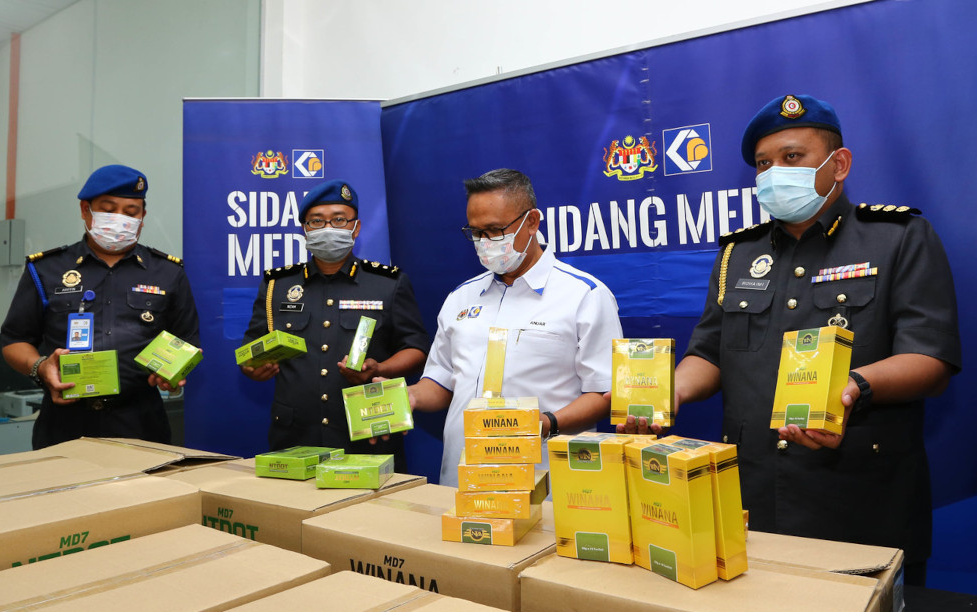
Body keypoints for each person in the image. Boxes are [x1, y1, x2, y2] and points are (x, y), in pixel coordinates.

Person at [619, 94, 961, 584]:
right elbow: (710, 352)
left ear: (837, 164)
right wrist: (669, 391)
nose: (774, 172)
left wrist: (854, 387)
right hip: (748, 500)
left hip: (860, 500)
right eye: (763, 163)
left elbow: (931, 358)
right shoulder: (739, 253)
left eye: (792, 157)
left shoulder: (898, 237)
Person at [407, 168, 623, 486]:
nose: (485, 242)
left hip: (544, 483)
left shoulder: (585, 295)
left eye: (495, 230)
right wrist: (405, 397)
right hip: (461, 481)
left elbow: (604, 392)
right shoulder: (460, 297)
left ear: (532, 221)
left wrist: (547, 423)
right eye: (476, 233)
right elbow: (440, 382)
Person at [1, 164, 201, 449]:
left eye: (131, 212)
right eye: (108, 209)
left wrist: (173, 371)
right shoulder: (46, 269)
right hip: (64, 421)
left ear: (142, 217)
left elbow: (187, 340)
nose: (120, 219)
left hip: (141, 422)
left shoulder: (168, 273)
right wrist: (40, 367)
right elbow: (15, 341)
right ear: (86, 210)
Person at [241, 179, 429, 470]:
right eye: (317, 221)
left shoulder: (387, 283)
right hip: (295, 439)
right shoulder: (277, 285)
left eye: (339, 219)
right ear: (305, 229)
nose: (328, 228)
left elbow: (417, 350)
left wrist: (379, 368)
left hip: (368, 436)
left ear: (356, 227)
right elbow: (251, 350)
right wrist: (253, 368)